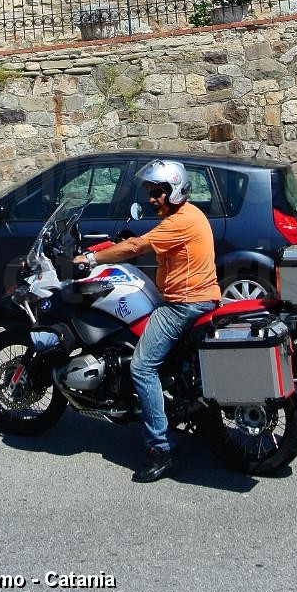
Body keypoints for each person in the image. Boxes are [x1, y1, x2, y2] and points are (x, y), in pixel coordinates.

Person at [73, 159, 220, 482]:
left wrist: (92, 259)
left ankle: (160, 448)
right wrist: (103, 247)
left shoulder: (180, 221)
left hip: (185, 304)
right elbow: (140, 242)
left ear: (176, 191)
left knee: (142, 366)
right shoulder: (185, 215)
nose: (152, 198)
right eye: (151, 192)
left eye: (158, 192)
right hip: (196, 298)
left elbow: (140, 245)